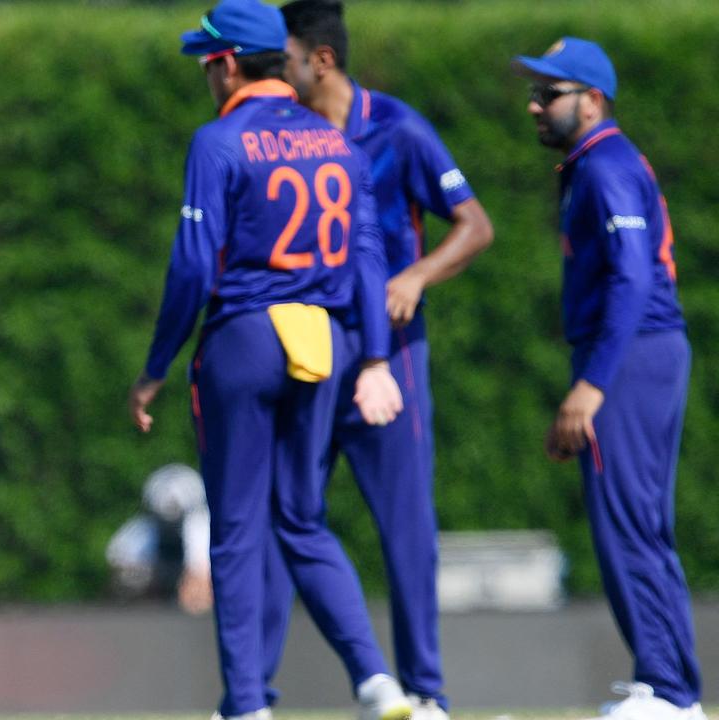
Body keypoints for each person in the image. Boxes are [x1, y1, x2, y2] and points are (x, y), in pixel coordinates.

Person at [126, 1, 410, 718]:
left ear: (225, 65)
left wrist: (157, 365)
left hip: (246, 340)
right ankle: (378, 682)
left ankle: (247, 703)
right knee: (303, 519)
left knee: (236, 530)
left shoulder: (218, 142)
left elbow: (193, 267)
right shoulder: (339, 143)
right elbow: (369, 263)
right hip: (324, 345)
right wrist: (375, 356)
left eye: (206, 62)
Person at [278, 2, 495, 716]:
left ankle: (427, 694)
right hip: (313, 351)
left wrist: (416, 276)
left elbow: (475, 224)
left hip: (392, 353)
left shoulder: (398, 128)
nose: (275, 72)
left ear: (322, 60)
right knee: (287, 514)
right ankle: (254, 694)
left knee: (407, 530)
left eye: (284, 58)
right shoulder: (288, 135)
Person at [512, 38, 703, 720]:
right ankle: (669, 683)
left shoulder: (605, 167)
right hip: (639, 350)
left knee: (629, 522)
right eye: (535, 92)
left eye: (550, 93)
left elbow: (631, 279)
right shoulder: (591, 163)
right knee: (633, 520)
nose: (535, 105)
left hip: (633, 351)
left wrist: (592, 384)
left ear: (593, 99)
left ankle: (670, 690)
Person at [105, 463, 212, 614]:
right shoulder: (144, 529)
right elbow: (118, 563)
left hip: (187, 611)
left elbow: (200, 584)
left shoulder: (201, 528)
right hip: (152, 610)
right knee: (129, 580)